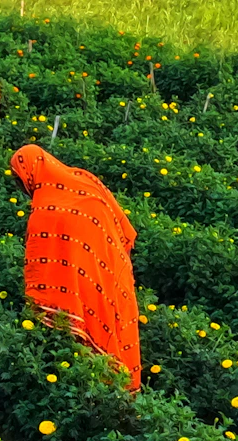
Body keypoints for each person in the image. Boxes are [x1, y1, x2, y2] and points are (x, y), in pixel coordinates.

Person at [9, 144, 142, 391]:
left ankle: (94, 390)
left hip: (85, 277)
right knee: (109, 320)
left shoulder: (45, 208)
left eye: (20, 179)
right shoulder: (82, 179)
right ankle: (113, 395)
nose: (21, 186)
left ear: (30, 173)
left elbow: (41, 267)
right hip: (110, 266)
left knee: (82, 333)